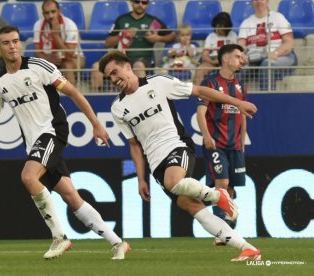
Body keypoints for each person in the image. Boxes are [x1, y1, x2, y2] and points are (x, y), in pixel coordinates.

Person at [0, 25, 130, 260]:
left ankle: (59, 237)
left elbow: (74, 92)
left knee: (28, 177)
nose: (13, 46)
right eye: (6, 43)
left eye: (16, 41)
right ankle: (117, 242)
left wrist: (96, 123)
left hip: (52, 131)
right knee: (71, 196)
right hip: (33, 141)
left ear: (21, 43)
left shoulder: (39, 67)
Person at [98, 50, 261, 261]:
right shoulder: (118, 108)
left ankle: (218, 195)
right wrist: (140, 178)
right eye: (109, 76)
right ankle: (248, 249)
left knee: (173, 181)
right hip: (155, 163)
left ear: (128, 66)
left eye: (114, 72)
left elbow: (200, 90)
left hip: (177, 145)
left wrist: (237, 103)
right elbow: (134, 145)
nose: (113, 79)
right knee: (192, 206)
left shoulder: (157, 82)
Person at [196, 44, 247, 246]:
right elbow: (200, 112)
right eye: (237, 56)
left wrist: (242, 141)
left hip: (235, 145)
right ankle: (221, 232)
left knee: (230, 189)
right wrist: (206, 136)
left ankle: (227, 230)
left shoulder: (240, 86)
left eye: (241, 56)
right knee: (222, 184)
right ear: (225, 59)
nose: (241, 60)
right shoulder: (210, 83)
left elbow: (243, 115)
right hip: (215, 144)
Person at [91, 0, 176, 91]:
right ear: (131, 3)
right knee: (96, 66)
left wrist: (158, 38)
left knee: (138, 65)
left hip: (143, 59)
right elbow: (107, 43)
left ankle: (144, 99)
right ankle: (96, 100)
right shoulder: (122, 19)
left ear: (147, 5)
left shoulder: (152, 20)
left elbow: (173, 36)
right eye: (137, 2)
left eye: (144, 3)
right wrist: (122, 35)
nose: (140, 5)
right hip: (120, 58)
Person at [237, 0, 297, 90]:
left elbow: (289, 42)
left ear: (267, 1)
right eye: (255, 0)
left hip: (281, 56)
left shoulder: (278, 17)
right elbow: (240, 46)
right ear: (252, 2)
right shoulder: (246, 22)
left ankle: (268, 100)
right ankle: (231, 100)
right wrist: (242, 56)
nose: (259, 2)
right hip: (254, 58)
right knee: (236, 67)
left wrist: (275, 53)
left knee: (266, 64)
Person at [33, 0, 85, 86]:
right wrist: (48, 59)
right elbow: (37, 52)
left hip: (74, 58)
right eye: (47, 13)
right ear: (43, 14)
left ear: (59, 11)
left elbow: (70, 54)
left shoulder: (69, 24)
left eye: (53, 12)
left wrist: (56, 35)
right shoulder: (38, 25)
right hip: (49, 59)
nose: (50, 16)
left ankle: (70, 97)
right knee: (38, 68)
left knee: (67, 65)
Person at [194, 12, 237, 85]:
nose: (219, 29)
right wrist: (212, 61)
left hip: (228, 61)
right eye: (218, 26)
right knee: (200, 70)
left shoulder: (233, 35)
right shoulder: (211, 36)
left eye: (222, 26)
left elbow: (236, 53)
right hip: (213, 60)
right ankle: (200, 93)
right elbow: (205, 55)